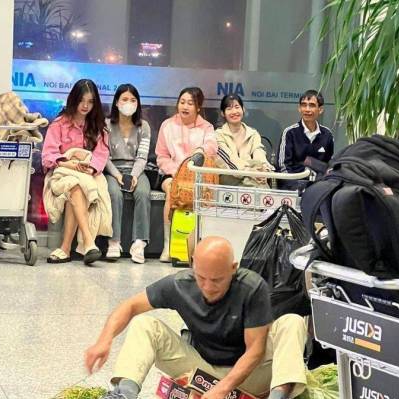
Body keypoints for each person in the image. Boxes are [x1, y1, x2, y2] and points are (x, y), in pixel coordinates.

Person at [77, 236, 307, 399]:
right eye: (201, 277)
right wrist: (104, 340)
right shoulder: (180, 284)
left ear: (233, 268)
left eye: (217, 280)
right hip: (202, 370)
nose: (208, 286)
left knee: (292, 321)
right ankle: (125, 395)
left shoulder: (251, 287)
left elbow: (255, 350)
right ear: (192, 266)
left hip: (249, 375)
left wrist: (222, 390)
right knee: (145, 324)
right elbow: (129, 306)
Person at [42, 79, 110, 265]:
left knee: (77, 186)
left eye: (90, 101)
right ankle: (89, 242)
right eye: (82, 101)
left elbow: (101, 155)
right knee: (74, 184)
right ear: (74, 100)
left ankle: (65, 248)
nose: (85, 106)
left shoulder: (98, 126)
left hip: (88, 175)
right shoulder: (59, 124)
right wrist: (69, 163)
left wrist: (89, 166)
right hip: (61, 173)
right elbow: (48, 156)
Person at [155, 87, 218, 262]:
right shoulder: (167, 125)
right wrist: (177, 172)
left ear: (198, 107)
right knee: (171, 191)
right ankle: (168, 245)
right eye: (182, 102)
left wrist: (200, 151)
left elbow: (212, 148)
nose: (185, 106)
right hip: (172, 175)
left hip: (198, 177)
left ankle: (197, 246)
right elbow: (161, 156)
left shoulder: (206, 127)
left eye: (190, 103)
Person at [104, 84, 151, 264]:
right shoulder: (106, 125)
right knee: (114, 193)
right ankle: (114, 242)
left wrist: (133, 176)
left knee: (143, 193)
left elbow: (142, 156)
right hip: (112, 170)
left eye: (133, 100)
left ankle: (139, 243)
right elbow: (104, 156)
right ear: (116, 102)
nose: (129, 103)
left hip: (136, 170)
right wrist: (118, 176)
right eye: (124, 99)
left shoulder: (143, 126)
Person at [276, 89, 334, 190]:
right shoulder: (289, 133)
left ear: (320, 110)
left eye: (311, 105)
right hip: (292, 187)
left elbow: (329, 165)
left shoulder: (327, 135)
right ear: (299, 108)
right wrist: (296, 186)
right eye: (303, 105)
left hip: (318, 188)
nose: (307, 109)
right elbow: (283, 166)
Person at [215, 94, 273, 187]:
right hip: (229, 178)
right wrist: (250, 172)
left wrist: (263, 169)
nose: (234, 112)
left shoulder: (253, 133)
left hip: (253, 176)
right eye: (229, 109)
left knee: (259, 174)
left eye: (237, 107)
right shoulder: (218, 135)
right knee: (257, 185)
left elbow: (259, 151)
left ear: (243, 109)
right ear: (223, 113)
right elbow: (228, 160)